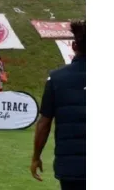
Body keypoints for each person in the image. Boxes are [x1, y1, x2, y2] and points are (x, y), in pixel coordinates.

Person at [31, 21, 85, 189]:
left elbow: (44, 123)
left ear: (73, 45)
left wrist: (36, 157)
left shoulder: (56, 79)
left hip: (70, 167)